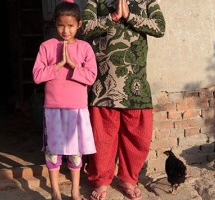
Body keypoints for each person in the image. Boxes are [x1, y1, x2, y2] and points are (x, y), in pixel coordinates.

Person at [81, 0, 165, 199]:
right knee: (102, 138)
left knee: (138, 137)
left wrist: (129, 16)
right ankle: (101, 181)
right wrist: (113, 17)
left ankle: (128, 179)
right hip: (103, 87)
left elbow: (160, 28)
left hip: (136, 86)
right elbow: (84, 27)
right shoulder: (96, 1)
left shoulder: (148, 2)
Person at [32, 1, 97, 200]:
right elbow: (36, 75)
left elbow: (91, 77)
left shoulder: (85, 48)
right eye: (61, 25)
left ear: (79, 24)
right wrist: (58, 65)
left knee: (75, 152)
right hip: (53, 109)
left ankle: (75, 192)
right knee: (53, 153)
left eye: (70, 25)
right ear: (55, 24)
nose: (66, 30)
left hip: (77, 109)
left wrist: (73, 65)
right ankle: (55, 193)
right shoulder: (47, 47)